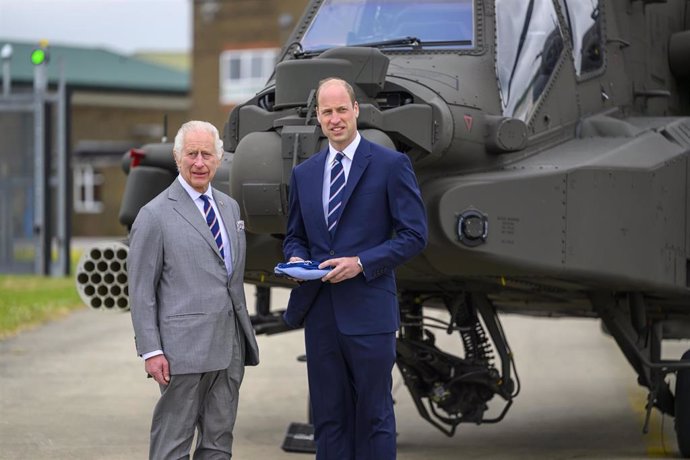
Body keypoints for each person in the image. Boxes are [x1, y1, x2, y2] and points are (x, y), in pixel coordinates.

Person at [282, 78, 428, 459]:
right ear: (318, 117)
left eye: (341, 110)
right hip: (322, 314)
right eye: (327, 112)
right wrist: (297, 259)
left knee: (374, 415)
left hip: (369, 313)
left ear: (356, 111)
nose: (335, 119)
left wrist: (361, 263)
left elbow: (414, 235)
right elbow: (295, 236)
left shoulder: (391, 165)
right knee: (329, 419)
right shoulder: (304, 174)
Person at [128, 120, 260, 459]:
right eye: (191, 154)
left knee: (219, 442)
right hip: (181, 352)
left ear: (218, 159)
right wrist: (151, 350)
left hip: (229, 347)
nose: (199, 162)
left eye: (207, 154)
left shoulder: (230, 208)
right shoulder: (154, 215)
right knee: (172, 444)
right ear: (177, 157)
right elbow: (141, 291)